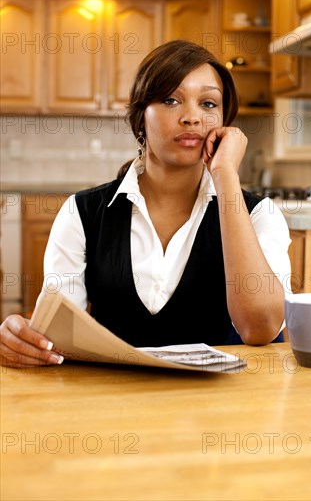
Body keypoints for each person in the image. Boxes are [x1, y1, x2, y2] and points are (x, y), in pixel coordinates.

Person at [0, 39, 292, 368]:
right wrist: (21, 340)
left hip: (222, 410)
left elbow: (261, 328)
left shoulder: (259, 215)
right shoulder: (81, 213)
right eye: (170, 99)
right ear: (141, 117)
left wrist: (225, 174)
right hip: (115, 404)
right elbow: (55, 338)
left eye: (208, 104)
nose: (192, 117)